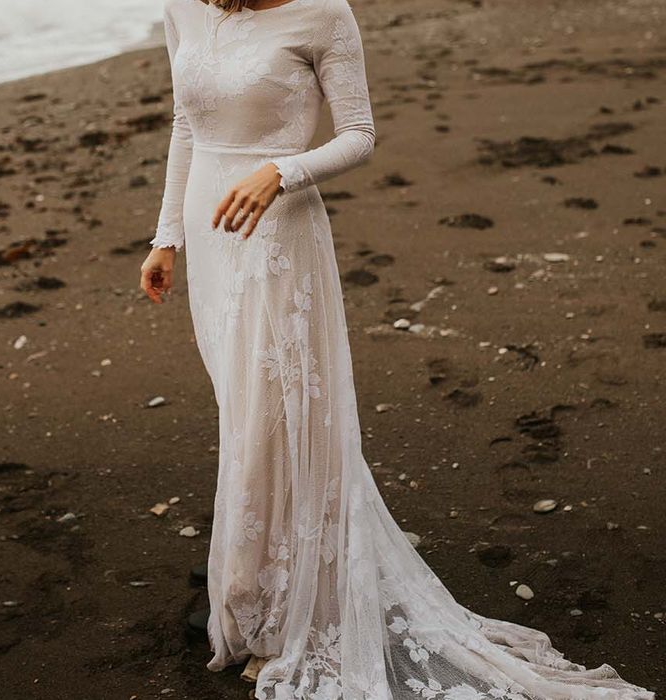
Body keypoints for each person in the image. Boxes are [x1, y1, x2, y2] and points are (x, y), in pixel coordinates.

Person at [139, 0, 656, 698]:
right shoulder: (185, 9)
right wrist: (166, 236)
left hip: (280, 241)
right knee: (245, 416)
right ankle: (252, 587)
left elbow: (358, 133)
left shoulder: (322, 14)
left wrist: (281, 171)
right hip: (212, 237)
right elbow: (185, 125)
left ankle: (286, 607)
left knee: (278, 421)